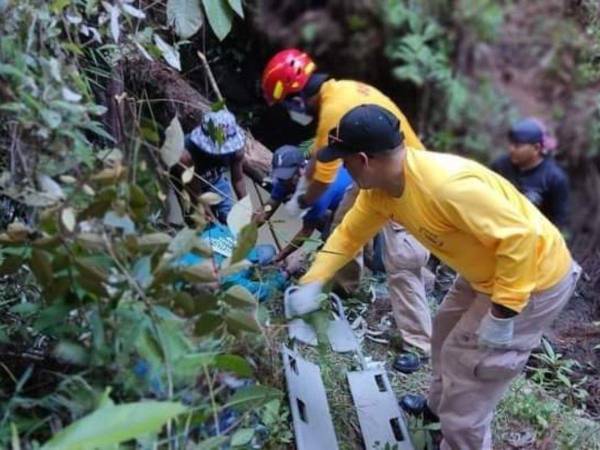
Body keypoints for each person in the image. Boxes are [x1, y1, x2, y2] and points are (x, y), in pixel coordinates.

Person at [288, 104, 580, 450]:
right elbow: (348, 237)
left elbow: (522, 239)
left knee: (472, 368)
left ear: (363, 159)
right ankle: (436, 411)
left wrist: (504, 312)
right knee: (443, 333)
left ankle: (461, 438)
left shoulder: (447, 185)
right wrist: (313, 281)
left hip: (532, 279)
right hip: (483, 270)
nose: (344, 169)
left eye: (345, 160)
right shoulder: (380, 193)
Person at [262, 48, 432, 373]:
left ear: (296, 98)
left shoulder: (335, 108)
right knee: (344, 224)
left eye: (286, 104)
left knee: (403, 261)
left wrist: (300, 201)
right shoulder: (341, 92)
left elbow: (321, 180)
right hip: (373, 170)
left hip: (405, 179)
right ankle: (346, 284)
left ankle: (419, 344)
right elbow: (319, 152)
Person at [253, 145, 352, 263]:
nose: (281, 180)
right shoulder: (285, 178)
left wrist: (279, 257)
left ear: (300, 171)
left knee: (327, 239)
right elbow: (269, 206)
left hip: (350, 195)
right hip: (335, 175)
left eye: (285, 177)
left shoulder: (317, 194)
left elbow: (306, 231)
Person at [491, 117, 569, 230]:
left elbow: (560, 221)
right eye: (511, 144)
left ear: (536, 148)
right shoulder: (500, 166)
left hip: (535, 237)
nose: (511, 149)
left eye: (517, 146)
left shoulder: (554, 178)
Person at [173, 110, 247, 224]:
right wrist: (211, 221)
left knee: (230, 218)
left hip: (216, 180)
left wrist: (245, 205)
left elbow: (238, 179)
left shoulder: (237, 150)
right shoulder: (185, 155)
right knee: (201, 224)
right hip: (187, 183)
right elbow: (195, 194)